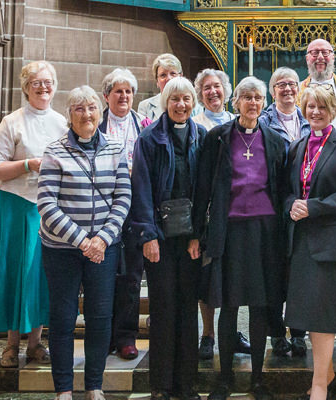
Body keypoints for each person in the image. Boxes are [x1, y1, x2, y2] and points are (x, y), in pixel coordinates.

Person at [191, 76, 287, 400]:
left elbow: (282, 188)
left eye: (258, 98)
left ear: (263, 103)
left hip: (264, 232)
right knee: (229, 305)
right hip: (229, 230)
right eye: (246, 97)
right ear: (236, 102)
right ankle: (224, 378)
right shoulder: (218, 137)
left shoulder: (274, 139)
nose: (252, 103)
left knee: (259, 306)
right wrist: (196, 233)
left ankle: (258, 378)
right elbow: (203, 188)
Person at [38, 85, 131, 400]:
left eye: (91, 108)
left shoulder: (115, 148)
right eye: (79, 109)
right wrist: (82, 241)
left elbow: (123, 198)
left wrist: (102, 239)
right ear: (69, 115)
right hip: (62, 251)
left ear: (99, 113)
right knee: (63, 319)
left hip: (104, 249)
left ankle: (94, 385)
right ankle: (63, 389)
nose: (86, 114)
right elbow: (47, 204)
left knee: (100, 318)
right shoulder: (55, 151)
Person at [285, 86, 336, 400]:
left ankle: (319, 384)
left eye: (321, 107)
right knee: (309, 313)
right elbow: (287, 191)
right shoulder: (297, 146)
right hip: (301, 241)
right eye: (310, 106)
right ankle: (327, 375)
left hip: (331, 242)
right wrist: (292, 205)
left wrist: (314, 207)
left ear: (332, 110)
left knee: (324, 313)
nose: (315, 112)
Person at [0, 60, 66, 368]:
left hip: (50, 208)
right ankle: (10, 344)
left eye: (48, 82)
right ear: (26, 88)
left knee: (41, 275)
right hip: (18, 207)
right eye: (37, 83)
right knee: (15, 272)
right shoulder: (12, 122)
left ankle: (35, 343)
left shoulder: (62, 123)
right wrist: (28, 164)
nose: (43, 88)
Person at [130, 77, 207, 400]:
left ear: (193, 102)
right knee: (163, 309)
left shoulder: (201, 136)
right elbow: (141, 190)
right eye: (174, 99)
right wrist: (148, 235)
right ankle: (161, 385)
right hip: (159, 237)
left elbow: (203, 191)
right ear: (165, 102)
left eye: (186, 99)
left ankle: (186, 383)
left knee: (187, 308)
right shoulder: (149, 138)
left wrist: (197, 236)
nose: (181, 105)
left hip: (189, 239)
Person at [190, 68, 250, 361]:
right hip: (210, 213)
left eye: (217, 86)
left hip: (237, 213)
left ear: (227, 92)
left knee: (233, 275)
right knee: (209, 276)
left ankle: (231, 332)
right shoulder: (196, 126)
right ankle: (208, 333)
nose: (213, 92)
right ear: (200, 94)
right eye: (206, 88)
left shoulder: (238, 121)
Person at [258, 66, 311, 357]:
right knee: (274, 273)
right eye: (281, 84)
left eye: (292, 83)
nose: (288, 89)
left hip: (301, 207)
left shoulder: (308, 120)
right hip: (271, 205)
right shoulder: (263, 122)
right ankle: (277, 333)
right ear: (272, 90)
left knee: (298, 274)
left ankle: (299, 332)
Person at [99, 67, 151, 361]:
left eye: (128, 91)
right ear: (106, 96)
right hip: (102, 209)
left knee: (131, 275)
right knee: (103, 273)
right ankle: (103, 334)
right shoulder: (95, 124)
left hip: (134, 209)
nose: (124, 96)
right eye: (118, 91)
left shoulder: (144, 124)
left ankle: (126, 336)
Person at [138, 53, 203, 121]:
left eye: (173, 73)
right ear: (157, 81)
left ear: (181, 76)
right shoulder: (145, 107)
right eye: (163, 75)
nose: (169, 78)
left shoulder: (195, 106)